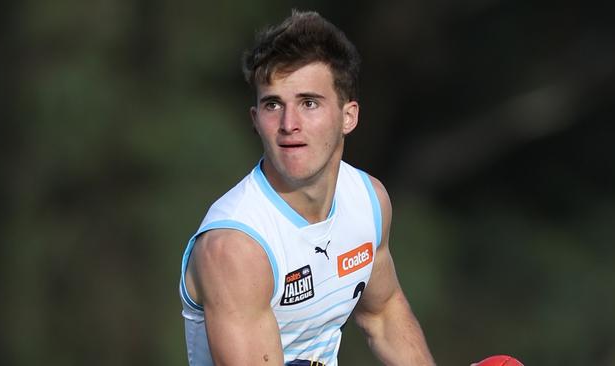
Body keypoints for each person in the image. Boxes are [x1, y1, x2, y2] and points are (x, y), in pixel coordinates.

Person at [179, 10, 435, 366]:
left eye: (309, 103)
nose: (289, 124)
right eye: (273, 105)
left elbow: (384, 315)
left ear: (349, 116)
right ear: (256, 120)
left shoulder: (369, 200)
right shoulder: (235, 247)